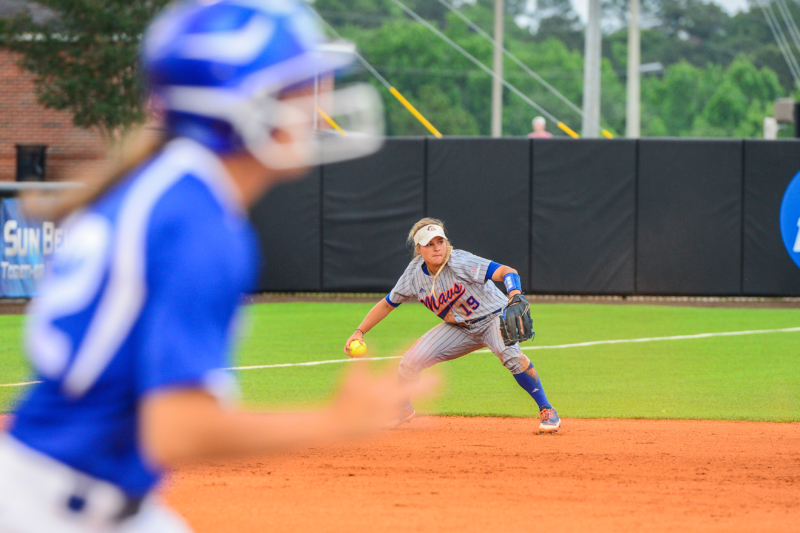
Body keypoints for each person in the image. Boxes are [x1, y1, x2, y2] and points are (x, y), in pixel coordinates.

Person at [0, 1, 430, 532]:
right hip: (57, 508)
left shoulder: (170, 188)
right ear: (240, 106)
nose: (315, 107)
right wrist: (335, 421)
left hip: (52, 485)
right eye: (297, 90)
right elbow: (175, 431)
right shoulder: (200, 221)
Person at [344, 218, 560, 434]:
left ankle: (547, 410)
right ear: (419, 249)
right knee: (410, 361)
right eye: (430, 244)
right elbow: (387, 304)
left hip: (494, 318)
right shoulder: (413, 275)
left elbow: (507, 271)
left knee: (511, 356)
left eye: (440, 241)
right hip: (459, 328)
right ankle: (403, 410)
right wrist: (359, 331)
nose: (437, 248)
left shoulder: (460, 261)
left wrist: (515, 293)